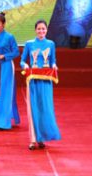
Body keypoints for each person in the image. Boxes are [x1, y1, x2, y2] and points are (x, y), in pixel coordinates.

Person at [20, 19, 61, 150]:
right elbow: (22, 61)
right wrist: (25, 65)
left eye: (43, 29)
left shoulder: (51, 44)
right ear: (35, 30)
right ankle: (33, 140)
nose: (41, 31)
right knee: (33, 109)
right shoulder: (29, 44)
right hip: (33, 81)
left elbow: (53, 60)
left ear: (46, 30)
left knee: (45, 108)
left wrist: (54, 66)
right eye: (39, 29)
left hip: (46, 81)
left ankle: (41, 138)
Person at [0, 12, 20, 130]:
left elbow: (16, 52)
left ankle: (4, 121)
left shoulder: (9, 37)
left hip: (6, 67)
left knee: (4, 92)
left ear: (3, 24)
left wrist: (4, 56)